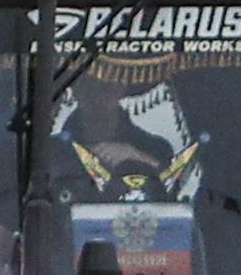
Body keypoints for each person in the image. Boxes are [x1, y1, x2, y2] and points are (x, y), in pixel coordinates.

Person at [47, 79, 199, 203]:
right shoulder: (50, 153)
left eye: (107, 86)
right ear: (76, 90)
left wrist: (139, 159)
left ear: (121, 88)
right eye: (90, 86)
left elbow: (169, 202)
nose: (98, 95)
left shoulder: (156, 149)